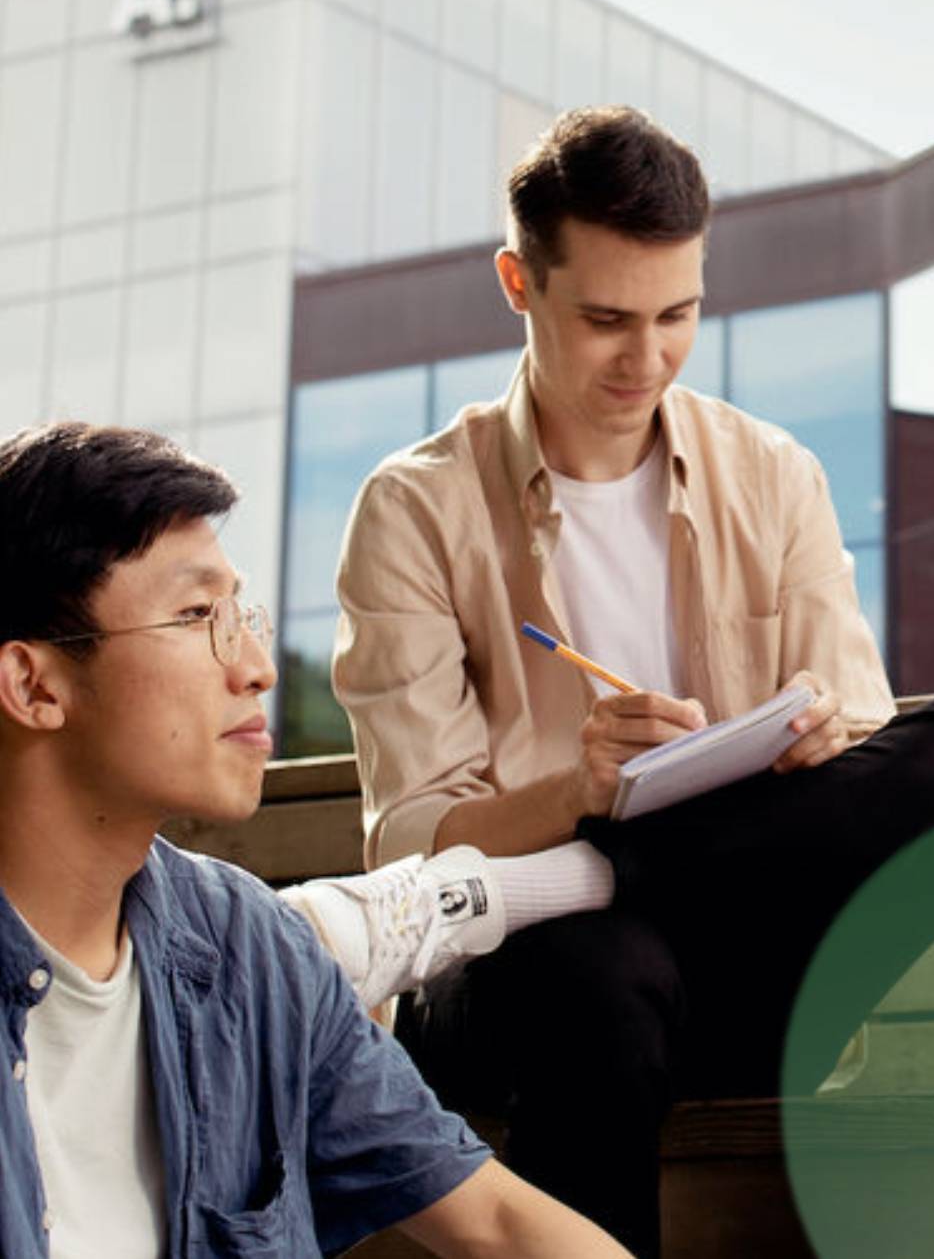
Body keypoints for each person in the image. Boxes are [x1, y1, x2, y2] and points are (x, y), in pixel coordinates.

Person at [293, 105, 934, 1256]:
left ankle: (590, 880)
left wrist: (808, 747)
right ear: (518, 283)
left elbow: (853, 745)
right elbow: (408, 846)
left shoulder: (771, 472)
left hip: (745, 970)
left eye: (678, 314)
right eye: (605, 319)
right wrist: (578, 791)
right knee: (593, 965)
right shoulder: (416, 511)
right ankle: (582, 888)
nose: (645, 358)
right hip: (524, 982)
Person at [0, 422, 628, 1258]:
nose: (256, 663)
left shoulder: (249, 951)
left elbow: (500, 1225)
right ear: (33, 684)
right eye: (194, 617)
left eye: (239, 613)